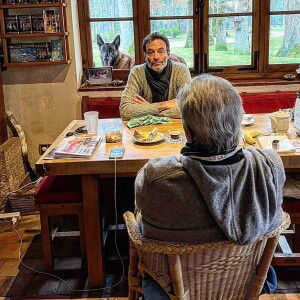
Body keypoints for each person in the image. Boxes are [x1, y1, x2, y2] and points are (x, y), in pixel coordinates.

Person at [134, 74, 286, 299]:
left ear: (188, 132)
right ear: (238, 124)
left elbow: (141, 223)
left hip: (172, 288)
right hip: (248, 283)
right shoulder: (270, 166)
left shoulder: (157, 178)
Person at [120, 32, 191, 121]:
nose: (156, 57)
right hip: (144, 131)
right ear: (145, 56)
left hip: (174, 130)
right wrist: (161, 106)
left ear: (168, 54)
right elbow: (125, 111)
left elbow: (188, 109)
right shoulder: (137, 72)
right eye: (150, 52)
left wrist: (147, 108)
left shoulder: (181, 70)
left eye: (161, 51)